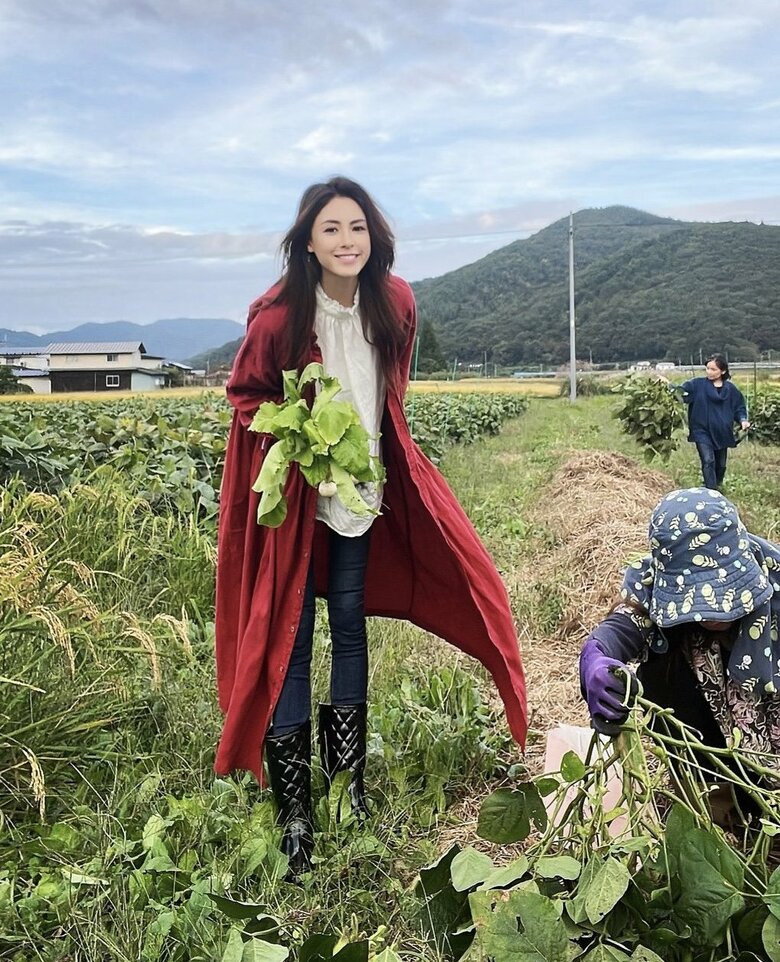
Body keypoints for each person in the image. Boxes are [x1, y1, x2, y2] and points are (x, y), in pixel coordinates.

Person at [214, 176, 527, 876]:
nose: (346, 240)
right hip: (299, 496)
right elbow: (245, 395)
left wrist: (369, 449)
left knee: (350, 623)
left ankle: (348, 789)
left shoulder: (395, 302)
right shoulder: (279, 317)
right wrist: (299, 437)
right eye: (331, 229)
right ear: (308, 241)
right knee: (292, 636)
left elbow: (392, 382)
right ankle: (296, 813)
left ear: (373, 236)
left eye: (356, 227)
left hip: (362, 484)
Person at [580, 488, 780, 781]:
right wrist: (595, 655)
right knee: (660, 665)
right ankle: (710, 785)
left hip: (770, 750)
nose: (712, 615)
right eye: (697, 600)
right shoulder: (652, 583)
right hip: (715, 752)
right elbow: (623, 627)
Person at [676, 354, 749, 490]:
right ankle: (711, 490)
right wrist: (668, 386)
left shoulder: (730, 390)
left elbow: (739, 407)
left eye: (713, 369)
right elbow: (680, 393)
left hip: (722, 432)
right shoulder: (696, 385)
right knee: (708, 460)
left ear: (723, 371)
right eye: (707, 368)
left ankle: (717, 485)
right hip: (701, 431)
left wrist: (743, 420)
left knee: (721, 465)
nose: (709, 372)